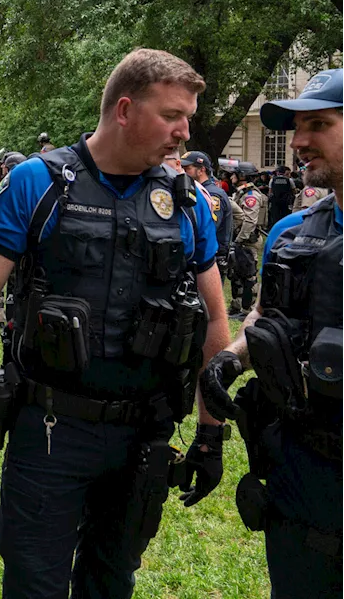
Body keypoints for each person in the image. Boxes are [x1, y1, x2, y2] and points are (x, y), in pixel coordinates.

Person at [0, 49, 227, 599]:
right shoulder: (37, 184)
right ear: (124, 109)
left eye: (187, 117)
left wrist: (210, 433)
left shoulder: (188, 204)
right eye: (172, 116)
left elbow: (214, 317)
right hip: (51, 430)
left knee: (112, 579)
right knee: (33, 581)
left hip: (146, 432)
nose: (184, 133)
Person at [199, 68, 344, 595]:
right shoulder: (292, 232)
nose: (300, 142)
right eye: (297, 128)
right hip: (302, 476)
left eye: (319, 125)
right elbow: (265, 316)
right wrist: (232, 359)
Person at [181, 151, 233, 283]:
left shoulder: (212, 194)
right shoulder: (197, 190)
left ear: (201, 170)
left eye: (187, 168)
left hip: (210, 259)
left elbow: (209, 227)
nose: (183, 172)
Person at [230, 163, 268, 318]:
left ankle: (248, 309)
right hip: (241, 240)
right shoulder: (242, 193)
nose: (232, 177)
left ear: (243, 176)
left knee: (249, 276)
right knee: (236, 274)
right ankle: (237, 306)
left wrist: (239, 240)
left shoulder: (251, 196)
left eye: (235, 174)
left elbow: (249, 222)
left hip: (247, 241)